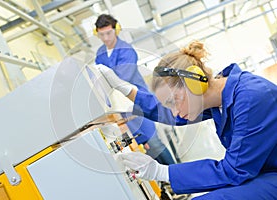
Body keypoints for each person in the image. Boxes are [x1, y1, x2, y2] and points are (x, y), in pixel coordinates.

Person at [96, 40, 277, 199]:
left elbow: (234, 170)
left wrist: (162, 171)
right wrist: (126, 90)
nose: (174, 113)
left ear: (194, 83)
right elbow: (169, 112)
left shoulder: (251, 98)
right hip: (262, 170)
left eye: (174, 101)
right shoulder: (219, 97)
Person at [94, 14, 175, 165]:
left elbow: (121, 77)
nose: (105, 38)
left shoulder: (126, 49)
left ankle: (177, 175)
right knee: (141, 146)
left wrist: (106, 78)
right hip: (121, 108)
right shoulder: (100, 53)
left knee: (153, 142)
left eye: (108, 33)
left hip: (138, 102)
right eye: (101, 34)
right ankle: (164, 181)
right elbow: (100, 79)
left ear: (116, 30)